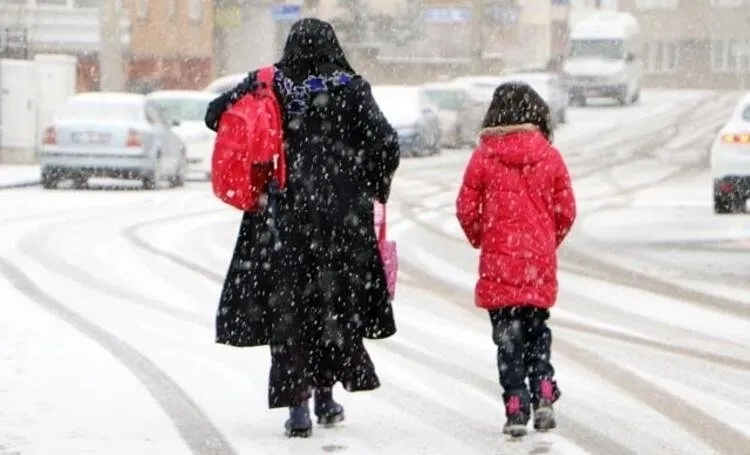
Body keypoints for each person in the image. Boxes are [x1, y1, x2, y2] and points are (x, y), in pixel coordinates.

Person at [204, 18, 400, 438]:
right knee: (331, 306)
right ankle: (325, 397)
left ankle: (297, 408)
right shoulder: (351, 87)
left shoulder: (268, 83)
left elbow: (213, 114)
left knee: (289, 309)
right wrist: (368, 182)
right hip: (340, 220)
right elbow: (386, 142)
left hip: (282, 216)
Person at [454, 82, 576, 437]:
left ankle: (515, 407)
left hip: (499, 262)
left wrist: (484, 236)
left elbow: (465, 208)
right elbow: (566, 210)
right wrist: (546, 241)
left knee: (508, 341)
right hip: (537, 262)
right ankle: (544, 392)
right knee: (537, 332)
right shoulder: (549, 156)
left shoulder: (484, 156)